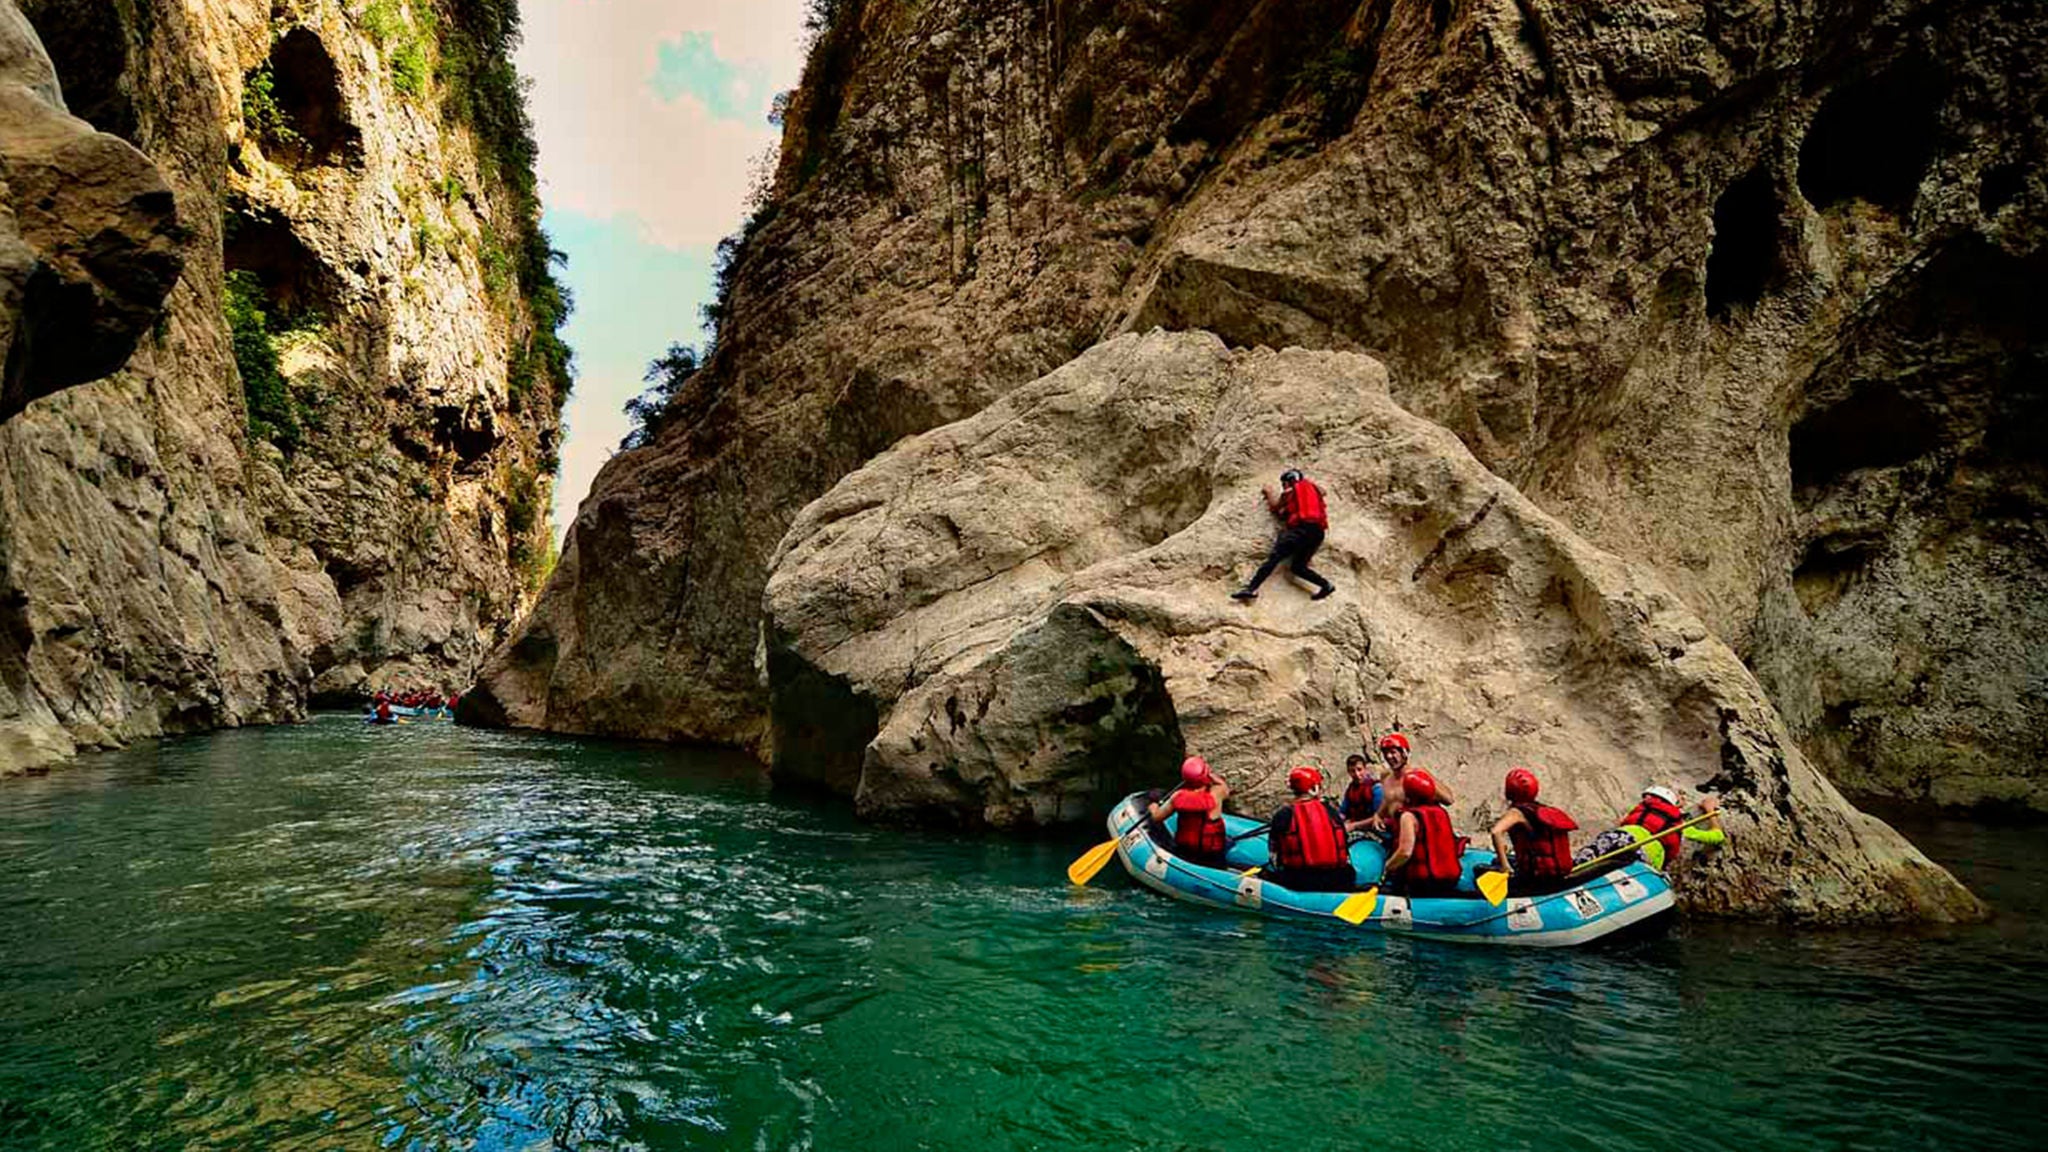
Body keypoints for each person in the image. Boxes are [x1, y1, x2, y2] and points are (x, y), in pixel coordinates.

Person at [1231, 469, 1336, 601]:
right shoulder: (1315, 490)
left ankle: (1252, 588)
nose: (1284, 487)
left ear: (1289, 481)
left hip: (1301, 529)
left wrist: (1268, 492)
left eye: (1284, 484)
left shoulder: (1292, 490)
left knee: (1275, 558)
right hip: (1318, 533)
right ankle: (1326, 585)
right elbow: (1323, 492)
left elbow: (1276, 507)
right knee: (1298, 567)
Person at [1572, 786, 1727, 873]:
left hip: (1618, 836)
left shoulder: (1638, 813)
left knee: (1583, 861)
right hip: (1643, 854)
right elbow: (1717, 836)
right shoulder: (1677, 825)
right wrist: (1710, 811)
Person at [1485, 767, 1579, 891]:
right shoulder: (1541, 809)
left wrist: (1505, 866)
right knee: (1498, 860)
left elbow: (1496, 832)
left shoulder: (1517, 812)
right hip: (1557, 874)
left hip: (1536, 878)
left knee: (1482, 868)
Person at [1264, 767, 1356, 892]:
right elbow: (1344, 845)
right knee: (1349, 872)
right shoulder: (1331, 812)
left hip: (1300, 881)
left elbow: (1274, 853)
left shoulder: (1283, 815)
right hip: (1338, 879)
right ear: (1314, 789)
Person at [1380, 768, 1467, 895]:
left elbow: (1405, 852)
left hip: (1423, 882)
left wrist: (1387, 867)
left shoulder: (1408, 817)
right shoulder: (1441, 813)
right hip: (1450, 879)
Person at [1148, 756, 1232, 867]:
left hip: (1186, 852)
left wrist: (1153, 807)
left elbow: (1157, 817)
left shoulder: (1177, 797)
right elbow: (1225, 789)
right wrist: (1210, 775)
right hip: (1212, 854)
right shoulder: (1218, 792)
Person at [1368, 731, 1453, 832]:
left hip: (1418, 832)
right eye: (1386, 753)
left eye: (1393, 752)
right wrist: (1378, 815)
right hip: (1396, 831)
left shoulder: (1418, 774)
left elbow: (1449, 799)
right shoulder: (1386, 777)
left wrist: (1427, 787)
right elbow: (1388, 800)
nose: (1389, 756)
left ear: (1404, 753)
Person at [1338, 754, 1382, 835]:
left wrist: (1354, 826)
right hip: (1356, 829)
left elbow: (1380, 817)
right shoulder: (1351, 790)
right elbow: (1343, 812)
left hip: (1375, 830)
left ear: (1365, 769)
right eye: (1352, 771)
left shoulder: (1376, 789)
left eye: (1359, 770)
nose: (1357, 774)